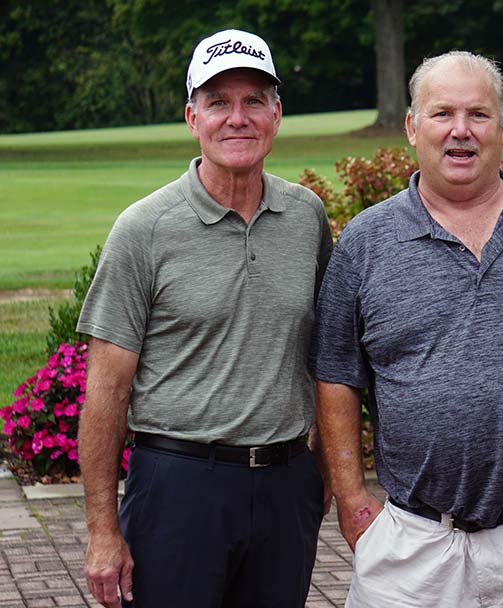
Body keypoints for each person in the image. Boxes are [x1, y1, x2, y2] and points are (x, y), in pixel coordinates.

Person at [311, 51, 503, 608]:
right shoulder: (367, 241)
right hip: (415, 543)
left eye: (479, 115)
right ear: (413, 127)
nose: (461, 131)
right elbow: (336, 374)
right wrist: (352, 497)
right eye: (441, 115)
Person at [78, 29, 332, 608]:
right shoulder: (144, 229)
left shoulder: (306, 217)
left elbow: (326, 355)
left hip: (285, 482)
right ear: (193, 117)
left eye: (253, 101)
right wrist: (101, 532)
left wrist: (322, 473)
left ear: (277, 114)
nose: (237, 118)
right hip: (179, 485)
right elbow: (106, 391)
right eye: (219, 102)